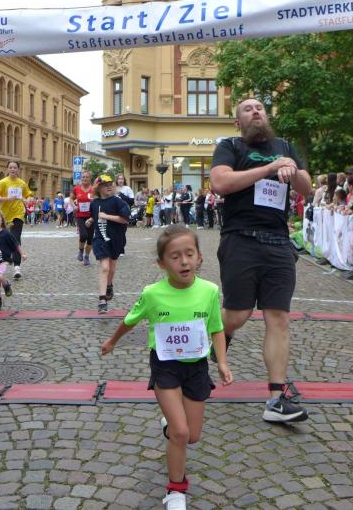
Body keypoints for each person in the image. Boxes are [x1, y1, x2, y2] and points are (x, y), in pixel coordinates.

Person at [101, 224, 233, 510]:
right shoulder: (152, 294)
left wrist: (222, 362)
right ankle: (175, 490)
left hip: (197, 367)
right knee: (181, 433)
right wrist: (112, 341)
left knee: (192, 436)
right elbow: (131, 319)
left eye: (189, 254)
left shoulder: (210, 291)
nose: (184, 261)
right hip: (165, 366)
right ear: (162, 264)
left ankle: (170, 427)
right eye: (175, 256)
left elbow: (216, 328)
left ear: (199, 257)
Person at [209, 97, 312, 423]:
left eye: (260, 108)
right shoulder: (230, 147)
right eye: (247, 109)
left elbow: (306, 188)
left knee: (278, 317)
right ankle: (220, 335)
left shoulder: (285, 146)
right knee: (237, 315)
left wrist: (291, 170)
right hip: (240, 238)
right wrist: (269, 168)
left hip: (278, 242)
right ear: (237, 121)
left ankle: (276, 399)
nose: (256, 111)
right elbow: (220, 183)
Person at [86, 174, 130, 314]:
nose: (109, 186)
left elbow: (125, 219)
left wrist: (107, 216)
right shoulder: (94, 203)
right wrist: (91, 220)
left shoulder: (118, 201)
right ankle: (102, 300)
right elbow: (96, 215)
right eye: (105, 185)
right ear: (98, 188)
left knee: (111, 268)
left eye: (111, 184)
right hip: (100, 239)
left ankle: (109, 285)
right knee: (105, 267)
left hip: (116, 238)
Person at [0, 161, 34, 280]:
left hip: (18, 214)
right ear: (7, 169)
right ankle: (6, 258)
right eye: (10, 167)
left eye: (15, 167)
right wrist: (7, 198)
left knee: (16, 238)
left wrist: (27, 200)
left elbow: (29, 195)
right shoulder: (2, 183)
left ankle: (17, 267)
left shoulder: (22, 183)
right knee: (4, 239)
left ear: (18, 169)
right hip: (4, 215)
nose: (13, 169)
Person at [71, 171, 95, 265]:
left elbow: (98, 200)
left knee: (90, 238)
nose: (85, 179)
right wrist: (74, 206)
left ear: (90, 179)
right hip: (80, 216)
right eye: (83, 177)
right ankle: (81, 251)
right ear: (81, 178)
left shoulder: (93, 189)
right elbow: (71, 199)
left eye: (87, 177)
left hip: (91, 216)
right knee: (83, 235)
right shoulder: (76, 188)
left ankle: (86, 256)